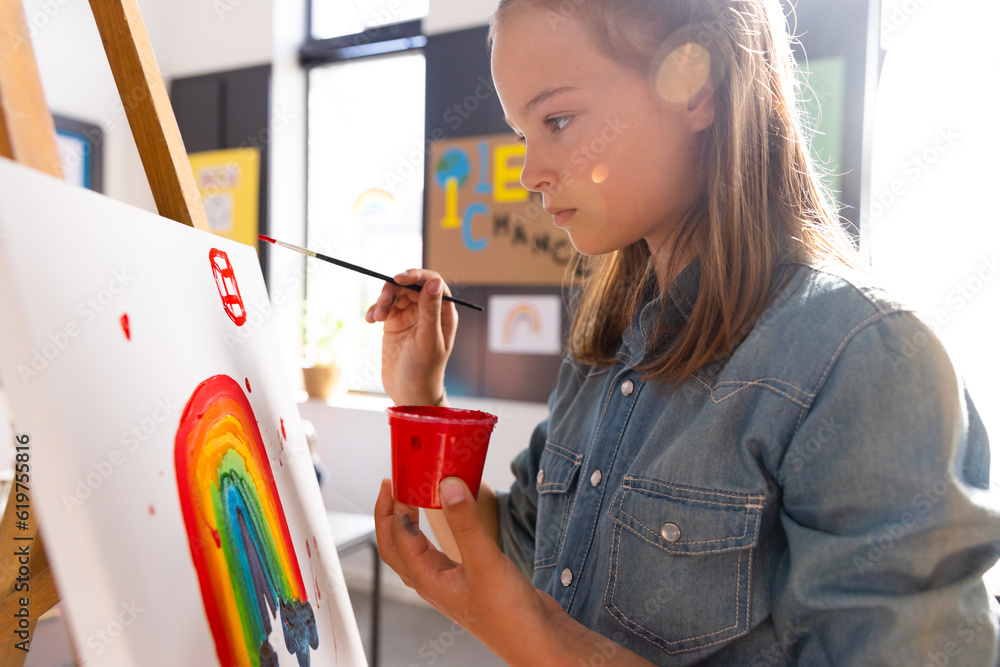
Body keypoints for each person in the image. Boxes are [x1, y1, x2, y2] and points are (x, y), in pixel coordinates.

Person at [364, 0, 1000, 663]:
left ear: (695, 83)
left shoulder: (866, 357)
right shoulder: (608, 346)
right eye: (524, 135)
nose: (530, 175)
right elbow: (524, 546)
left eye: (557, 120)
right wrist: (419, 400)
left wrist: (536, 641)